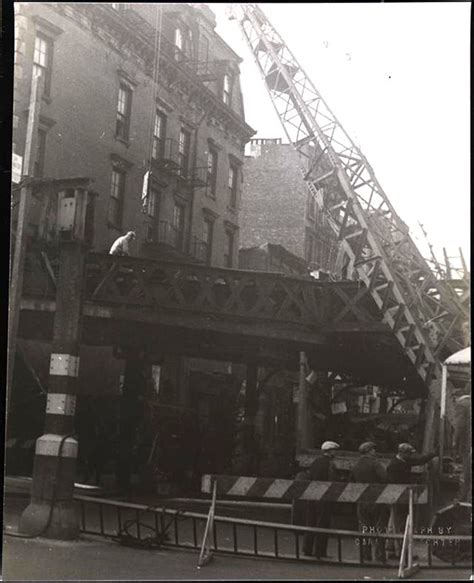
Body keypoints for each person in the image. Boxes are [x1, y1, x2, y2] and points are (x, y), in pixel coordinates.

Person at [386, 443, 437, 558]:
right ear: (403, 453)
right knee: (400, 525)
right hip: (399, 499)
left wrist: (432, 454)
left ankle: (391, 550)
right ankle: (401, 553)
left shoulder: (403, 461)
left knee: (393, 524)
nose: (411, 456)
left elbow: (420, 460)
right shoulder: (394, 466)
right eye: (409, 454)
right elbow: (396, 482)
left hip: (399, 498)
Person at [295, 440, 340, 558]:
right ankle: (320, 551)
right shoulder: (330, 464)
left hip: (312, 496)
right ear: (330, 452)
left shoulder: (315, 462)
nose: (335, 453)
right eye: (334, 450)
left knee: (310, 521)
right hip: (324, 499)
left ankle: (307, 548)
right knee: (322, 523)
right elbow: (332, 481)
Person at [350, 441, 388, 563]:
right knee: (378, 528)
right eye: (373, 450)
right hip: (375, 500)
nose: (374, 452)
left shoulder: (355, 465)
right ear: (369, 451)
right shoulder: (375, 464)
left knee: (365, 528)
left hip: (362, 501)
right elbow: (385, 478)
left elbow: (351, 481)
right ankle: (379, 556)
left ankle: (366, 555)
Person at [453, 394, 471, 502]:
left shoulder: (462, 405)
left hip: (469, 446)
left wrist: (455, 441)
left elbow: (460, 425)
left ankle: (463, 499)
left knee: (466, 473)